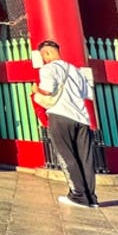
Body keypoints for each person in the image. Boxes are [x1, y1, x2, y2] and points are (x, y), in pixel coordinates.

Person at [33, 39, 98, 208]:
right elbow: (87, 94)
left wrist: (35, 90)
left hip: (60, 114)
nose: (44, 58)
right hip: (82, 118)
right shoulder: (76, 71)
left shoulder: (48, 69)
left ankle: (77, 195)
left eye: (43, 55)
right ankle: (91, 197)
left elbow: (47, 90)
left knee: (66, 155)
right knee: (85, 158)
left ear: (46, 53)